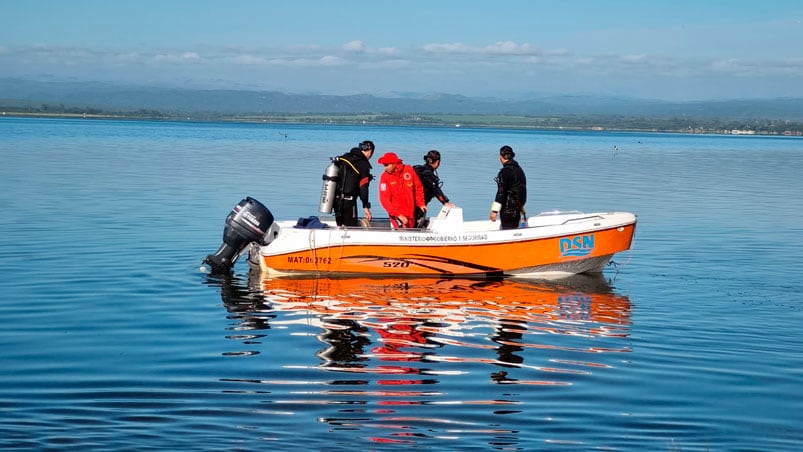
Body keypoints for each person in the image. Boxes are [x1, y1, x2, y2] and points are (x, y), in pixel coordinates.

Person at [377, 152, 426, 229]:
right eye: (384, 165)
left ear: (393, 164)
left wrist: (421, 203)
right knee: (400, 233)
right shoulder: (385, 177)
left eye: (386, 165)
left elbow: (418, 188)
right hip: (396, 215)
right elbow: (384, 199)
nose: (385, 168)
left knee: (409, 234)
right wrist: (398, 215)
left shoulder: (409, 170)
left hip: (410, 212)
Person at [333, 140, 374, 227]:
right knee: (351, 228)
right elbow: (363, 187)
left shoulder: (344, 158)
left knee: (340, 226)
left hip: (336, 201)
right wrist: (366, 207)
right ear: (370, 152)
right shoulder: (363, 164)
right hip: (349, 202)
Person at [490, 145, 527, 230]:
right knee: (514, 230)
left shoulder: (505, 171)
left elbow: (501, 192)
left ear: (501, 156)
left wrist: (494, 211)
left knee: (508, 230)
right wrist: (521, 207)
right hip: (519, 206)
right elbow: (522, 189)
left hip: (508, 209)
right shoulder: (519, 170)